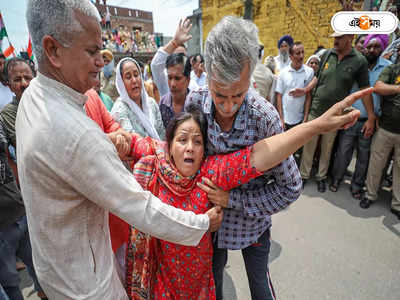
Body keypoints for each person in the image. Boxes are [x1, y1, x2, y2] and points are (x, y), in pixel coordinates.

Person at [19, 1, 223, 299]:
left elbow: (127, 136)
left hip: (58, 272)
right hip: (87, 288)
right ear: (53, 50)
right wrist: (203, 222)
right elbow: (141, 206)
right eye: (91, 52)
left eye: (101, 51)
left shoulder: (35, 96)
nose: (102, 61)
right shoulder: (75, 133)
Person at [125, 90, 368, 299]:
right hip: (162, 285)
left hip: (200, 287)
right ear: (169, 144)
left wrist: (317, 126)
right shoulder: (156, 161)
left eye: (198, 141)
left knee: (259, 284)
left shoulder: (209, 173)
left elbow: (258, 156)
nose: (189, 147)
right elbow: (123, 140)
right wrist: (117, 140)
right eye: (182, 140)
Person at [185, 16, 300, 300]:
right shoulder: (195, 102)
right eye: (219, 95)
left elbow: (290, 188)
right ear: (207, 74)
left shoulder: (265, 119)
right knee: (213, 283)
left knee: (260, 286)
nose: (227, 106)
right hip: (209, 224)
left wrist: (233, 200)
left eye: (238, 94)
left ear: (251, 76)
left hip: (253, 225)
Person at [298, 33, 376, 193]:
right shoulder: (328, 54)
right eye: (334, 36)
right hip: (316, 110)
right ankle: (304, 175)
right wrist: (305, 89)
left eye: (339, 37)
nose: (335, 40)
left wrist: (371, 116)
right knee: (309, 146)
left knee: (327, 148)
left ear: (350, 37)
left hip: (335, 115)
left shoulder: (359, 61)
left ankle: (321, 177)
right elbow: (317, 78)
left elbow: (365, 91)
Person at [0, 58, 47, 300]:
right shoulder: (8, 115)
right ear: (8, 85)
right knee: (12, 281)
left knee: (43, 269)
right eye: (17, 79)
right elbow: (27, 147)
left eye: (27, 77)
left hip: (22, 208)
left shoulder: (46, 103)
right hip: (26, 202)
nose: (24, 83)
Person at [330, 34, 392, 196]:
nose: (372, 50)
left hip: (370, 120)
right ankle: (336, 179)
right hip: (351, 117)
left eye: (376, 46)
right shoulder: (357, 64)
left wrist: (374, 118)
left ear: (383, 48)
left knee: (364, 157)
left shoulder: (388, 67)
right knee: (343, 152)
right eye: (369, 46)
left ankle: (356, 186)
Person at [360, 47, 400, 219]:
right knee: (376, 164)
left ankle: (397, 204)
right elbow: (378, 87)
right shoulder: (392, 69)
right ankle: (370, 195)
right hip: (385, 128)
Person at [111, 57, 165, 140]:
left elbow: (162, 133)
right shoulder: (120, 110)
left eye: (136, 75)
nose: (134, 80)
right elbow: (132, 140)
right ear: (121, 83)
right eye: (128, 77)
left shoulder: (151, 103)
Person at [150, 18, 199, 98]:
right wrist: (174, 43)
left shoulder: (193, 87)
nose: (173, 84)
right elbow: (155, 66)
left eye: (181, 57)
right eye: (176, 57)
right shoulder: (165, 79)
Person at [276, 41, 314, 131]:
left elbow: (308, 96)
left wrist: (305, 118)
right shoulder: (283, 73)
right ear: (291, 57)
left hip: (300, 120)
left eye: (302, 52)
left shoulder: (309, 72)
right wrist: (281, 119)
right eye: (298, 53)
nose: (301, 56)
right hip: (285, 120)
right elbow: (279, 96)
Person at [159, 53, 191, 129]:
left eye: (177, 78)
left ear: (188, 80)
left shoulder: (196, 104)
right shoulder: (163, 104)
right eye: (170, 78)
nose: (172, 84)